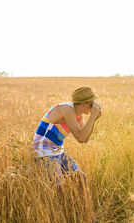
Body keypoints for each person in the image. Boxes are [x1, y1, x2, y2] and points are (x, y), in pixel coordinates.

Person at [32, 87, 101, 216]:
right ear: (83, 103)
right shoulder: (66, 109)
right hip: (44, 151)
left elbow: (84, 139)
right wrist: (93, 116)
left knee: (81, 178)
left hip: (58, 151)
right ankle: (66, 217)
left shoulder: (78, 116)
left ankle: (88, 217)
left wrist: (94, 118)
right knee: (59, 189)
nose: (95, 105)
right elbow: (80, 137)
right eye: (92, 103)